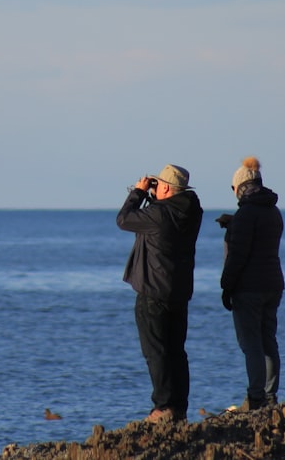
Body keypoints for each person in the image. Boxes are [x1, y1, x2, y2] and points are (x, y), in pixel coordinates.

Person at [116, 164, 203, 424]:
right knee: (176, 351)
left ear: (165, 187)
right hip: (178, 291)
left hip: (153, 291)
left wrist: (139, 193)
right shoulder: (192, 211)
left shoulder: (158, 214)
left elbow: (124, 219)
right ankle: (179, 407)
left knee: (156, 351)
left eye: (157, 185)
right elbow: (161, 213)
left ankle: (163, 407)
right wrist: (153, 197)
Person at [217, 156, 285, 411]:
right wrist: (234, 226)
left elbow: (238, 256)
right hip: (273, 283)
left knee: (251, 344)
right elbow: (261, 243)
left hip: (249, 288)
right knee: (269, 340)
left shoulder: (245, 214)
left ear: (240, 187)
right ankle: (270, 396)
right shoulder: (273, 210)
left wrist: (226, 287)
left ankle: (255, 397)